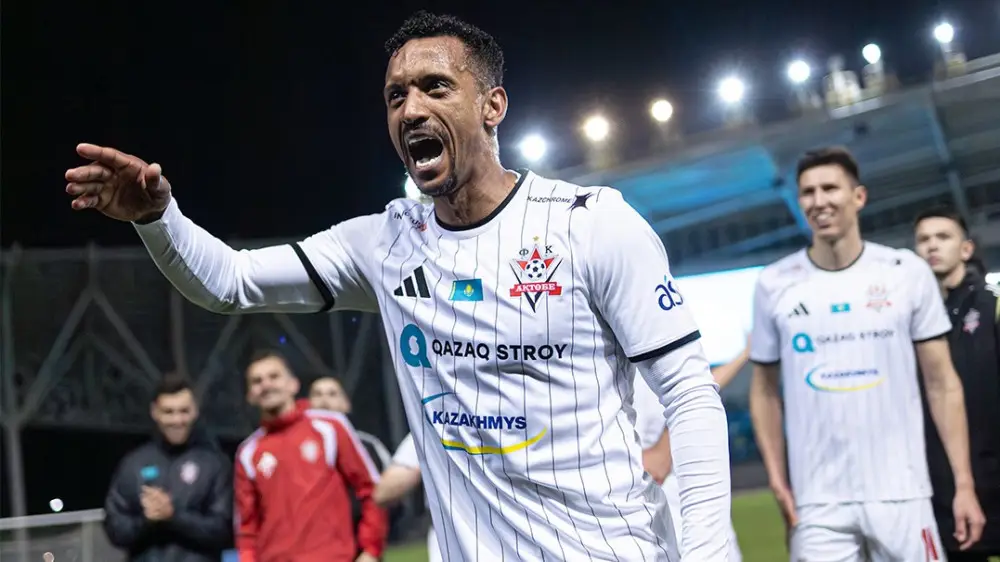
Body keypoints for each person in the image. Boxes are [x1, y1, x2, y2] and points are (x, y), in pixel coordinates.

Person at [64, 10, 731, 559]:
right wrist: (158, 218)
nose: (411, 109)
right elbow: (230, 282)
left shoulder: (593, 225)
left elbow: (691, 396)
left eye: (435, 87)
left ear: (493, 105)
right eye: (395, 96)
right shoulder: (384, 243)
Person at [748, 146, 986, 561]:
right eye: (808, 192)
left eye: (829, 188)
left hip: (904, 493)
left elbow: (942, 384)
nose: (818, 201)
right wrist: (776, 477)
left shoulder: (905, 272)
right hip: (817, 502)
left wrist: (963, 483)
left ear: (858, 196)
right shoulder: (774, 283)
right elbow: (764, 391)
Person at [234, 349, 387, 562]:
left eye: (274, 376)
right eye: (257, 381)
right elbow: (247, 528)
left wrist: (370, 550)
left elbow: (371, 489)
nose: (266, 385)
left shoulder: (330, 427)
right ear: (250, 395)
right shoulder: (248, 452)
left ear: (293, 384)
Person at [914, 206, 1000, 561]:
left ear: (966, 249)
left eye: (943, 237)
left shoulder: (992, 305)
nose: (932, 246)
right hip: (946, 487)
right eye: (923, 240)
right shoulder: (910, 321)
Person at [634, 341, 750, 560]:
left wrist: (744, 353)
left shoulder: (666, 359)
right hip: (664, 519)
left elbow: (702, 387)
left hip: (697, 514)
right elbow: (654, 464)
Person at [103, 372, 232, 562]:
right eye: (168, 412)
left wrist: (173, 516)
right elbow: (115, 529)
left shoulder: (216, 464)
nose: (177, 420)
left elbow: (224, 530)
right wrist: (146, 521)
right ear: (155, 412)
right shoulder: (133, 464)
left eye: (184, 411)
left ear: (195, 411)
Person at [373, 433, 442, 562]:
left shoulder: (434, 428)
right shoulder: (434, 428)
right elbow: (383, 492)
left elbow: (381, 493)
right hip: (448, 535)